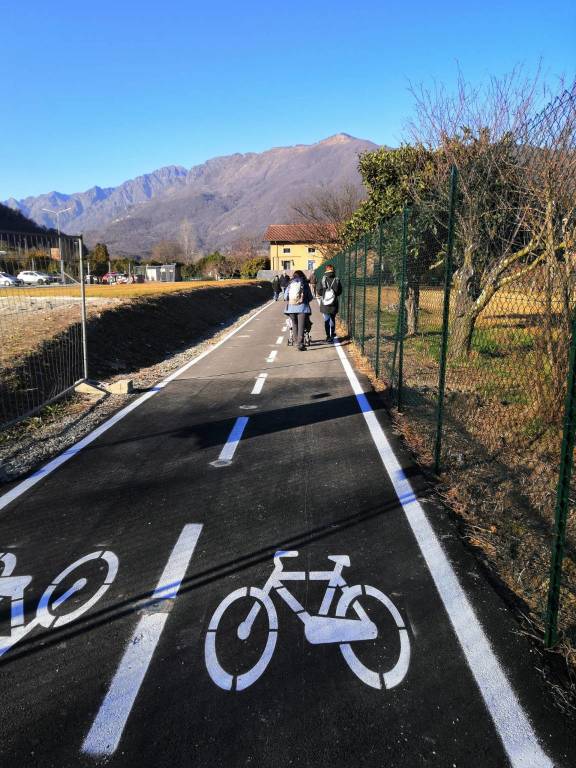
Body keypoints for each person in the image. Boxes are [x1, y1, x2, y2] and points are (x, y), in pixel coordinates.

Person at [284, 269, 313, 351]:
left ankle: (296, 342)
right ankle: (300, 344)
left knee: (294, 325)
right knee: (301, 326)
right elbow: (310, 297)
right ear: (302, 275)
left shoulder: (290, 284)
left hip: (291, 308)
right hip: (302, 308)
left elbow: (285, 296)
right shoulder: (305, 284)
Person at [317, 263, 342, 342]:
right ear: (333, 270)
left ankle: (328, 336)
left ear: (326, 270)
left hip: (325, 303)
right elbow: (339, 291)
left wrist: (324, 294)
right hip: (334, 303)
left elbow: (319, 291)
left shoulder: (323, 279)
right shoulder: (337, 279)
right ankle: (332, 334)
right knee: (332, 319)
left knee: (326, 319)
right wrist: (333, 295)